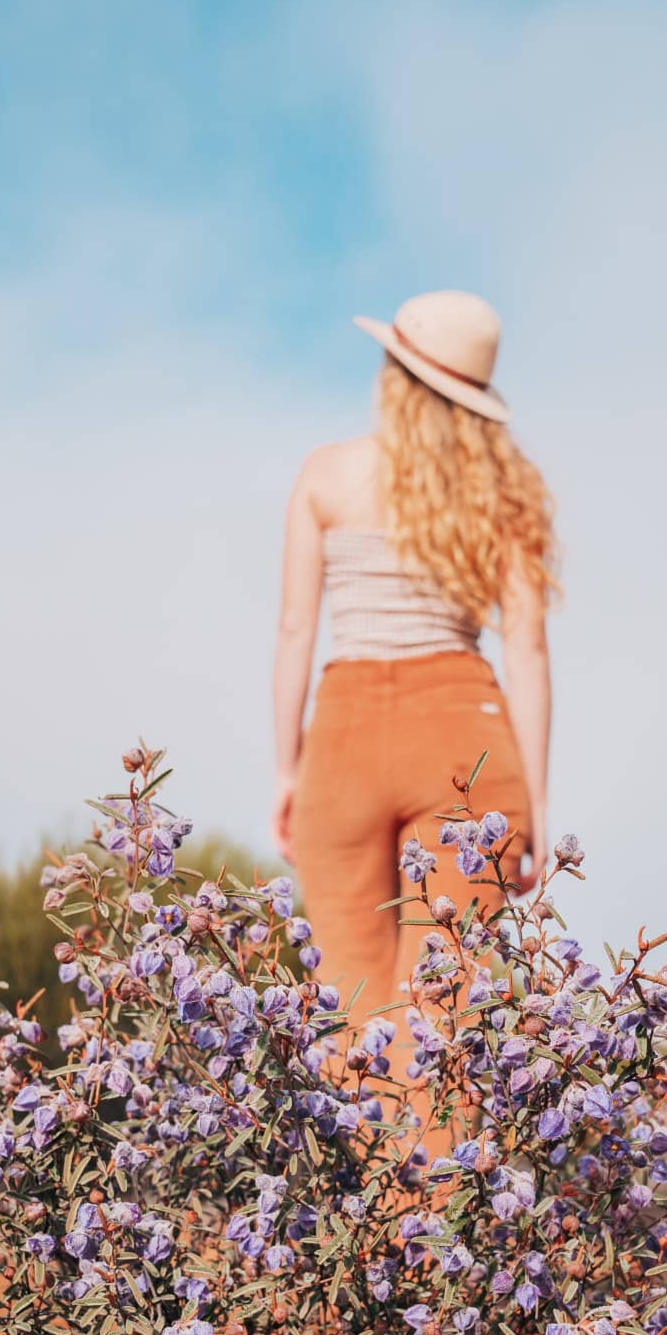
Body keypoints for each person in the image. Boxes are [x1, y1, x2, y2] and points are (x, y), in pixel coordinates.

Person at [271, 289, 558, 1022]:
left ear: (393, 375)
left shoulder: (325, 474)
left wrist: (287, 769)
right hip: (465, 743)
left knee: (352, 1011)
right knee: (446, 1014)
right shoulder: (504, 490)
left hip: (342, 740)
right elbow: (525, 648)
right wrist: (539, 801)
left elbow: (296, 632)